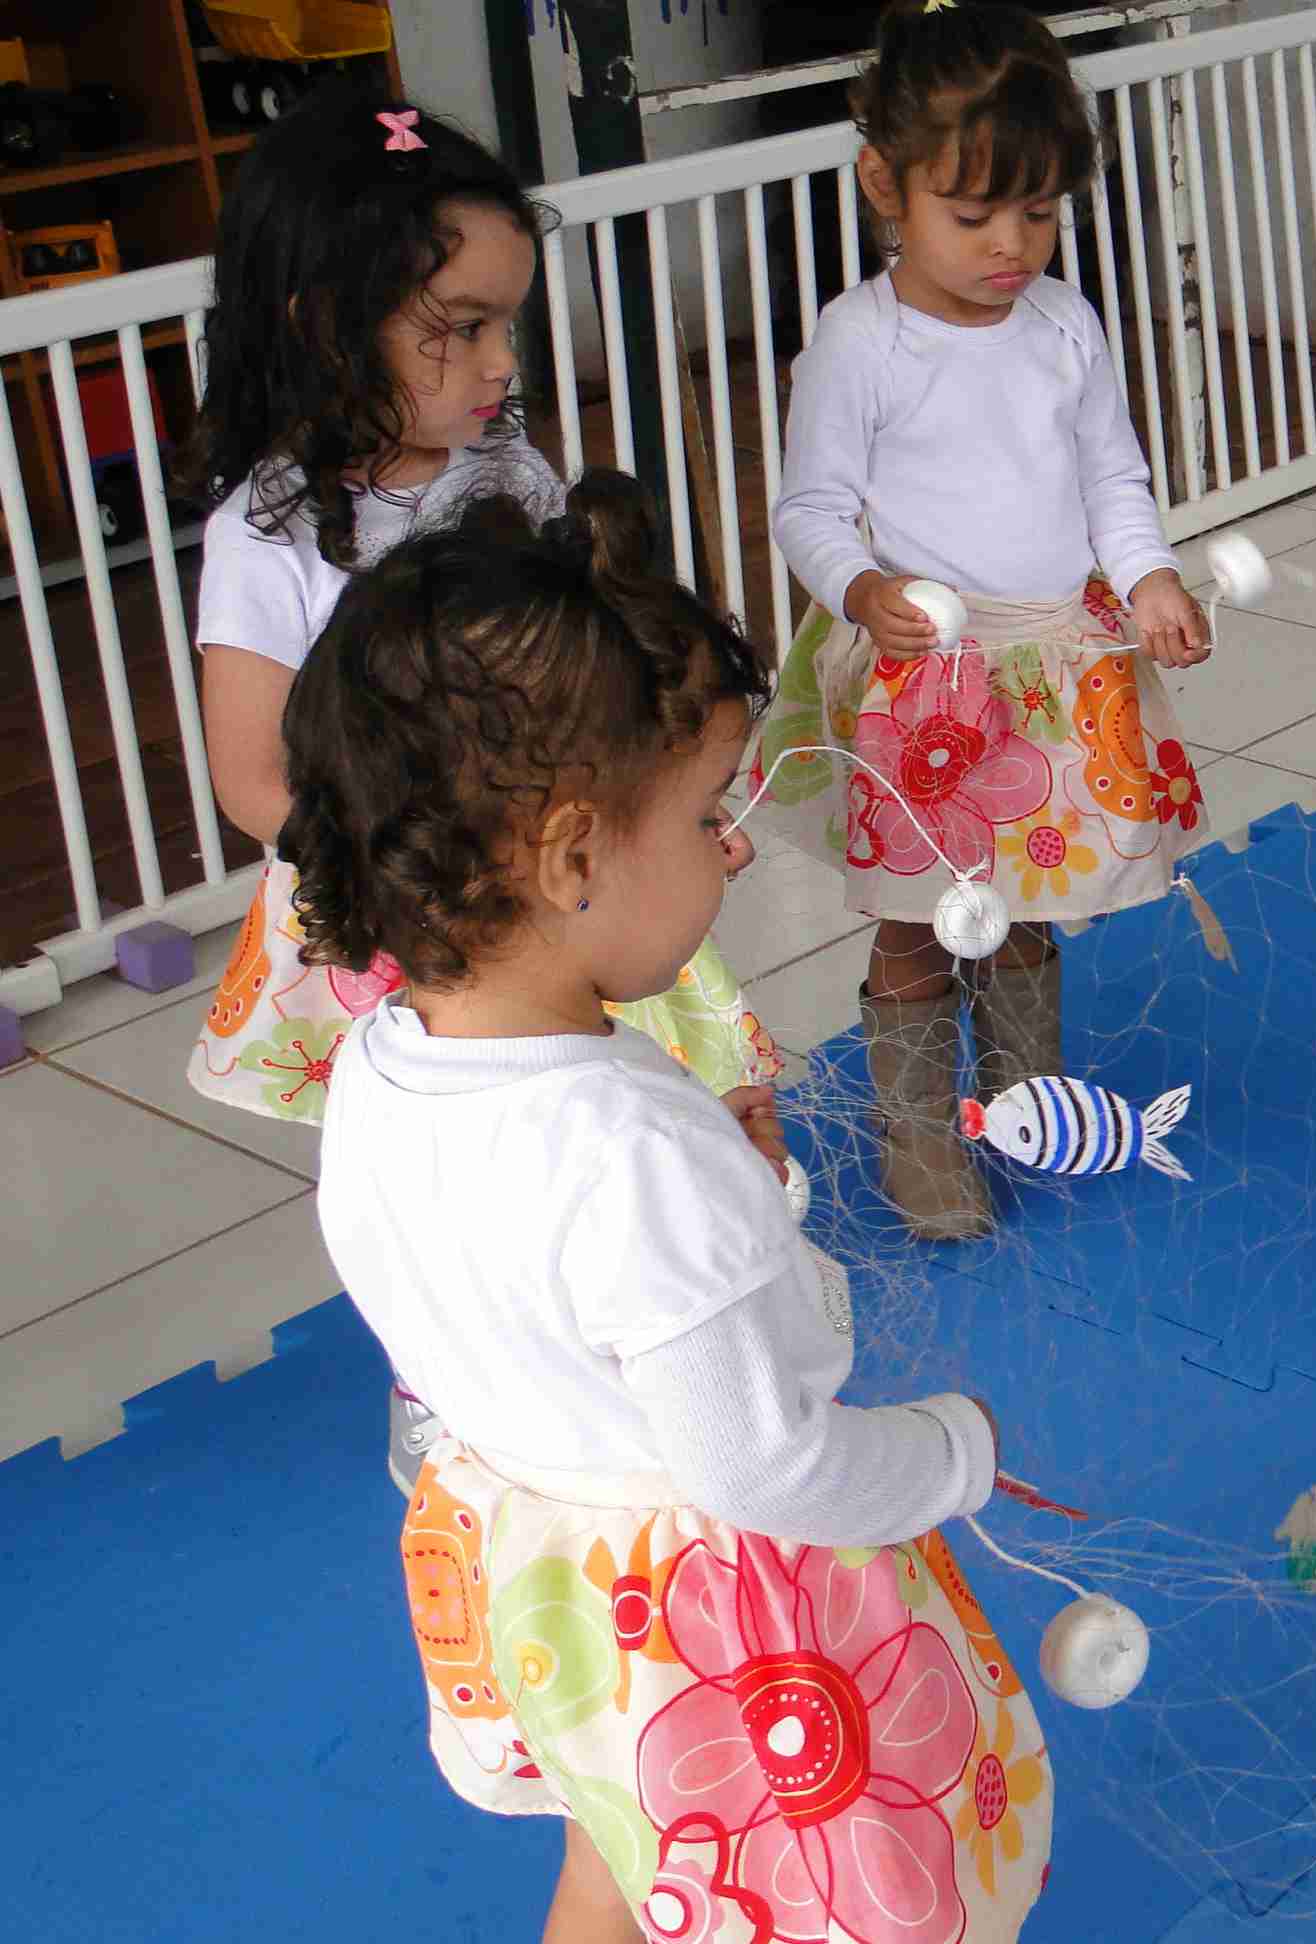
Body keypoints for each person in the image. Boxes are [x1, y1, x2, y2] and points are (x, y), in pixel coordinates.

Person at [291, 475, 1043, 1944]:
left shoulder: (384, 1064)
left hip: (540, 1582)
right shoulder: (634, 1148)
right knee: (810, 1900)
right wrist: (951, 1453)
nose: (737, 846)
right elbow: (761, 1465)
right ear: (573, 856)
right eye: (707, 814)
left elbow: (504, 1252)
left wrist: (713, 1190)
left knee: (629, 1850)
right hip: (708, 1630)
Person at [177, 92, 781, 1493]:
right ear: (328, 322)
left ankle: (654, 1333)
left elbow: (593, 659)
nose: (506, 361)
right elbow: (254, 772)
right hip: (407, 914)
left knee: (609, 1129)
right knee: (448, 1174)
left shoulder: (508, 469)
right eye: (462, 325)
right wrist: (430, 872)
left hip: (565, 893)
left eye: (509, 320)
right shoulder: (264, 532)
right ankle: (455, 1386)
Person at [767, 1, 1210, 1242]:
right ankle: (917, 1131)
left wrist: (1153, 573)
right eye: (973, 215)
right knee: (921, 919)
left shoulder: (1066, 324)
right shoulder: (862, 344)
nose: (1013, 244)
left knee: (1023, 898)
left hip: (1054, 660)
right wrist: (860, 589)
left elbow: (1112, 477)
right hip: (926, 688)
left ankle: (1021, 1098)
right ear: (883, 186)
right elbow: (809, 507)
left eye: (1040, 210)